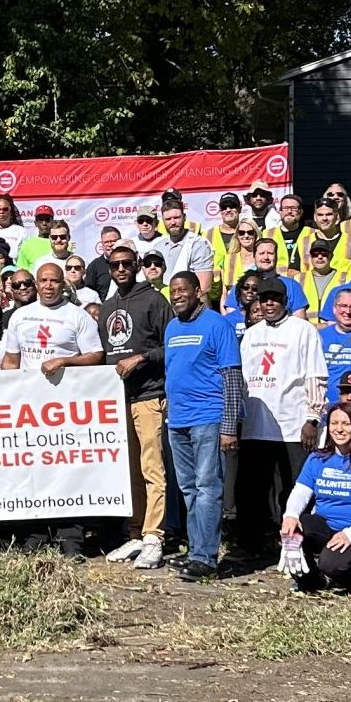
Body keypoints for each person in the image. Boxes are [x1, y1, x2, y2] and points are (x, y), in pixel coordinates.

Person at [236, 276, 328, 560]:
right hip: (255, 425)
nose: (269, 303)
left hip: (292, 424)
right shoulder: (251, 334)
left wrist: (312, 418)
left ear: (285, 301)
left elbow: (315, 374)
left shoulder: (303, 330)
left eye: (274, 298)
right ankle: (250, 545)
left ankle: (296, 546)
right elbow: (242, 379)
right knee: (250, 490)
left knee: (293, 490)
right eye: (264, 299)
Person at [98, 240, 173, 570]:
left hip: (149, 395)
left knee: (152, 468)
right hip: (117, 400)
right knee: (129, 471)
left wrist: (141, 358)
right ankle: (136, 531)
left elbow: (171, 346)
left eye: (127, 263)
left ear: (138, 264)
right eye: (114, 265)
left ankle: (155, 535)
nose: (121, 270)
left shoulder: (154, 299)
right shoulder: (108, 305)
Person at [163, 270, 242, 581]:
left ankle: (206, 559)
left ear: (198, 291)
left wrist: (229, 426)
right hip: (178, 421)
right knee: (189, 489)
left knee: (208, 488)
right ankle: (196, 551)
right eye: (173, 291)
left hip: (209, 419)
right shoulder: (171, 328)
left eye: (184, 289)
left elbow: (232, 377)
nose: (178, 295)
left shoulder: (217, 325)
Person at [278, 400, 351, 593]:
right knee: (296, 527)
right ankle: (309, 579)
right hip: (327, 527)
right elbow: (301, 491)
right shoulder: (317, 458)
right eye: (334, 423)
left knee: (331, 565)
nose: (339, 429)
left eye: (345, 424)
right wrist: (290, 515)